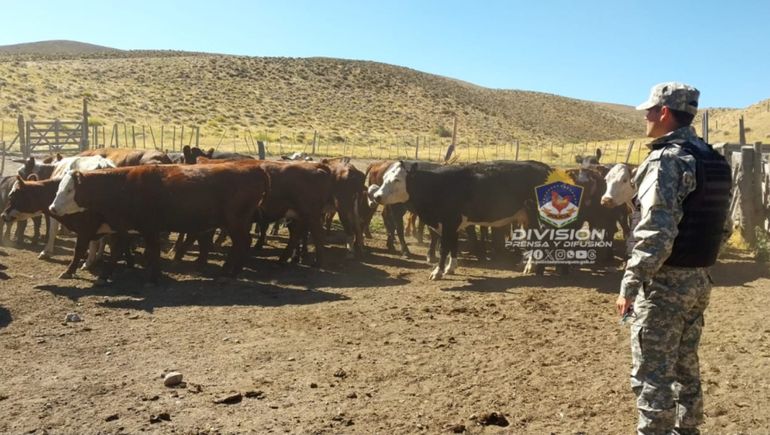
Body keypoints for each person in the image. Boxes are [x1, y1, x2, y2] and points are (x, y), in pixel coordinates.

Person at [616, 82, 732, 434]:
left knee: (652, 374)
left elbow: (656, 231)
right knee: (685, 367)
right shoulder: (711, 158)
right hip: (699, 280)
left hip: (665, 282)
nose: (646, 118)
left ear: (664, 112)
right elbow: (724, 227)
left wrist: (631, 282)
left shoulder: (667, 159)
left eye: (650, 111)